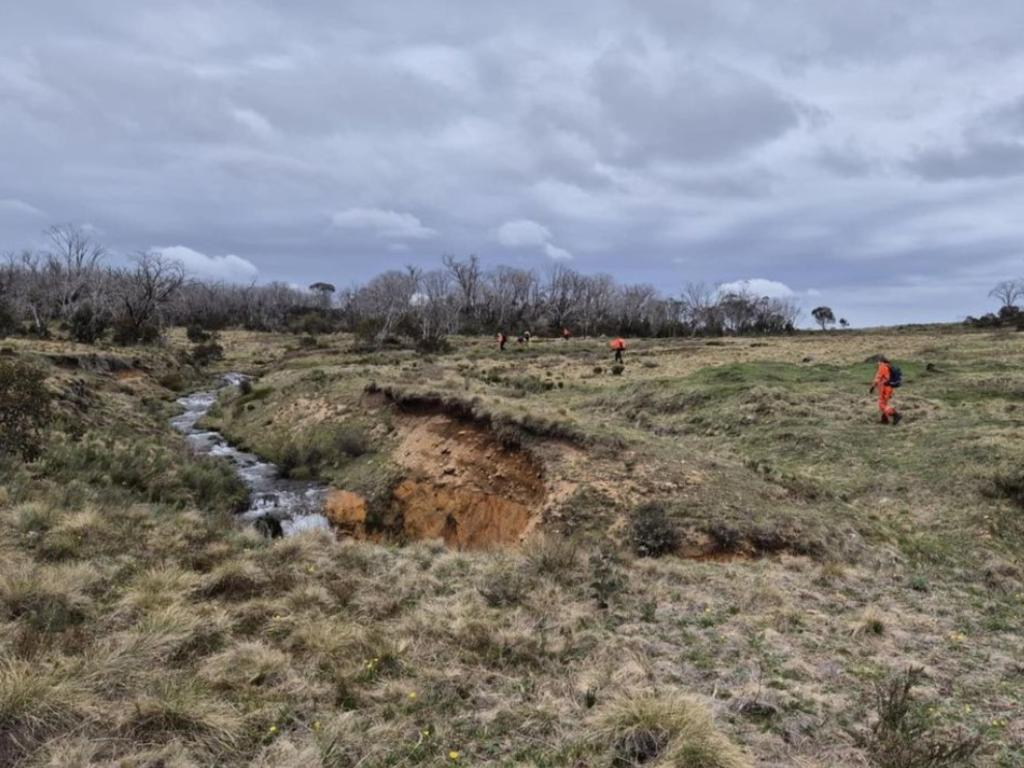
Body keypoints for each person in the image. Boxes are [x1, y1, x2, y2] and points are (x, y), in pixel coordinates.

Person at [869, 356, 902, 425]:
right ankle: (885, 419)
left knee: (881, 405)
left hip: (884, 387)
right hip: (889, 387)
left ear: (880, 361)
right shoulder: (888, 366)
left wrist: (873, 386)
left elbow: (878, 377)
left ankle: (895, 414)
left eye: (877, 361)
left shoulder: (882, 366)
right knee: (885, 403)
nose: (877, 363)